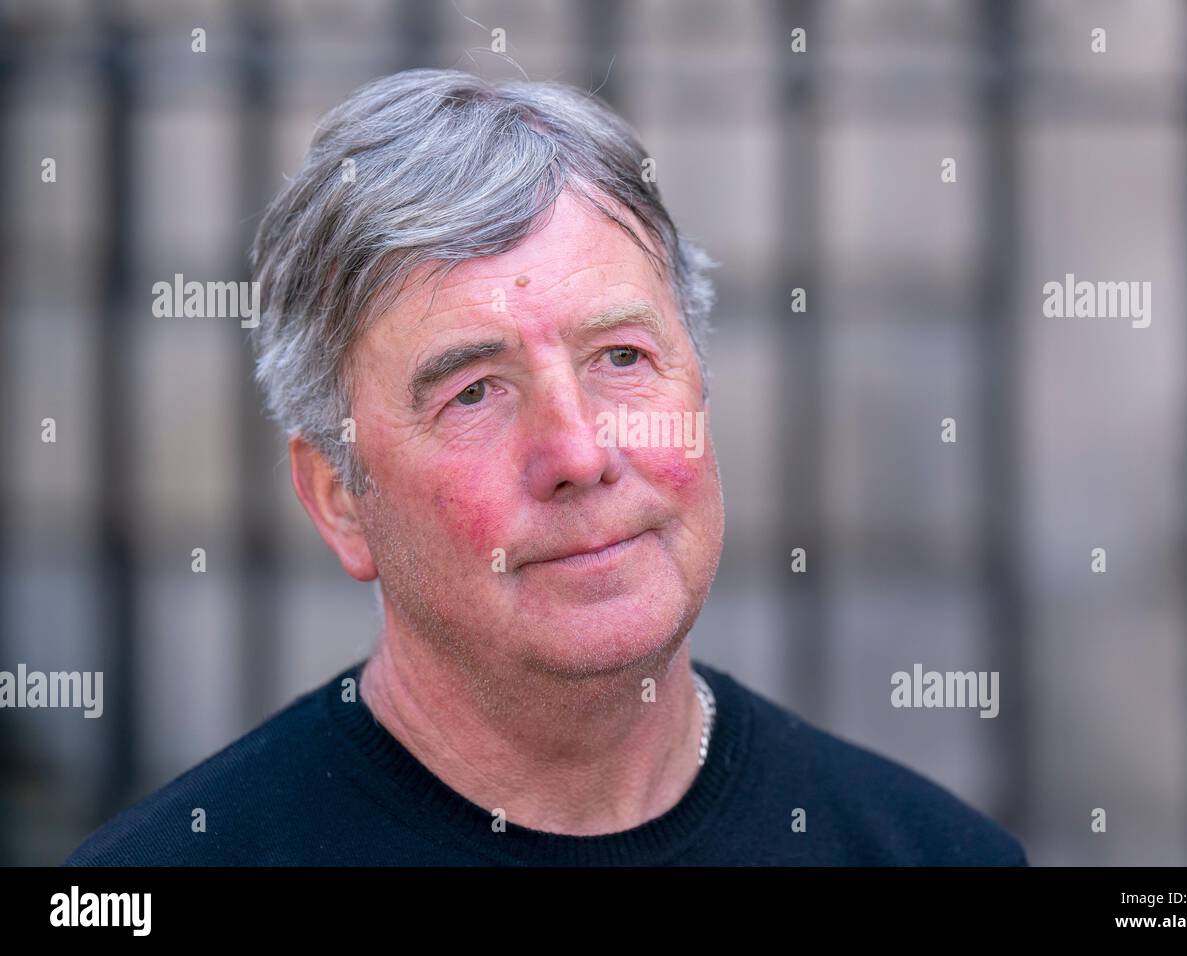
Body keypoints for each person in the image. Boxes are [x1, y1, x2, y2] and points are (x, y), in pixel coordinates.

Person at [66, 69, 1027, 866]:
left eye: (622, 358)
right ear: (340, 500)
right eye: (473, 391)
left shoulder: (930, 855)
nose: (578, 452)